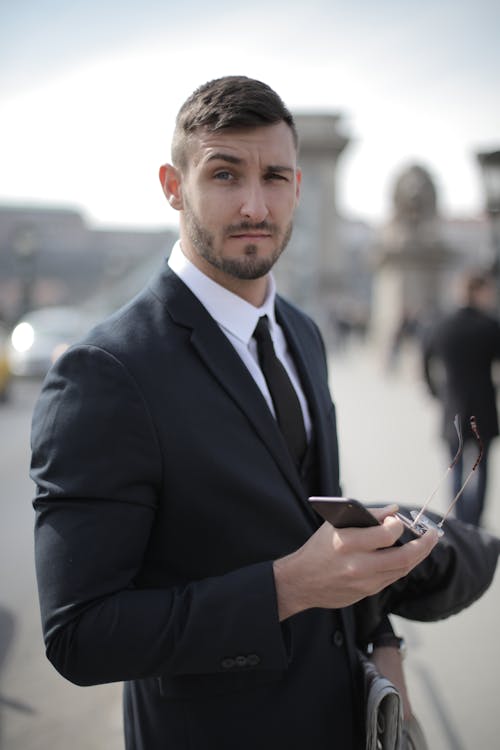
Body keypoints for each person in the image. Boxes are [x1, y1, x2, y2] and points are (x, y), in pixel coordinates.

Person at [31, 76, 439, 750]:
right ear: (172, 185)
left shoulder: (301, 332)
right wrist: (285, 588)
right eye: (224, 174)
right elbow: (79, 636)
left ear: (300, 189)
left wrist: (381, 642)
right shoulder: (104, 374)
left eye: (275, 177)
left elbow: (318, 517)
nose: (255, 204)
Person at [423, 271, 500, 526]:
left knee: (454, 464)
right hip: (483, 406)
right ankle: (474, 518)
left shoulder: (442, 325)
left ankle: (457, 517)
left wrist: (435, 391)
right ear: (479, 292)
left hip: (452, 405)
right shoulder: (490, 326)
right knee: (481, 465)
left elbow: (426, 360)